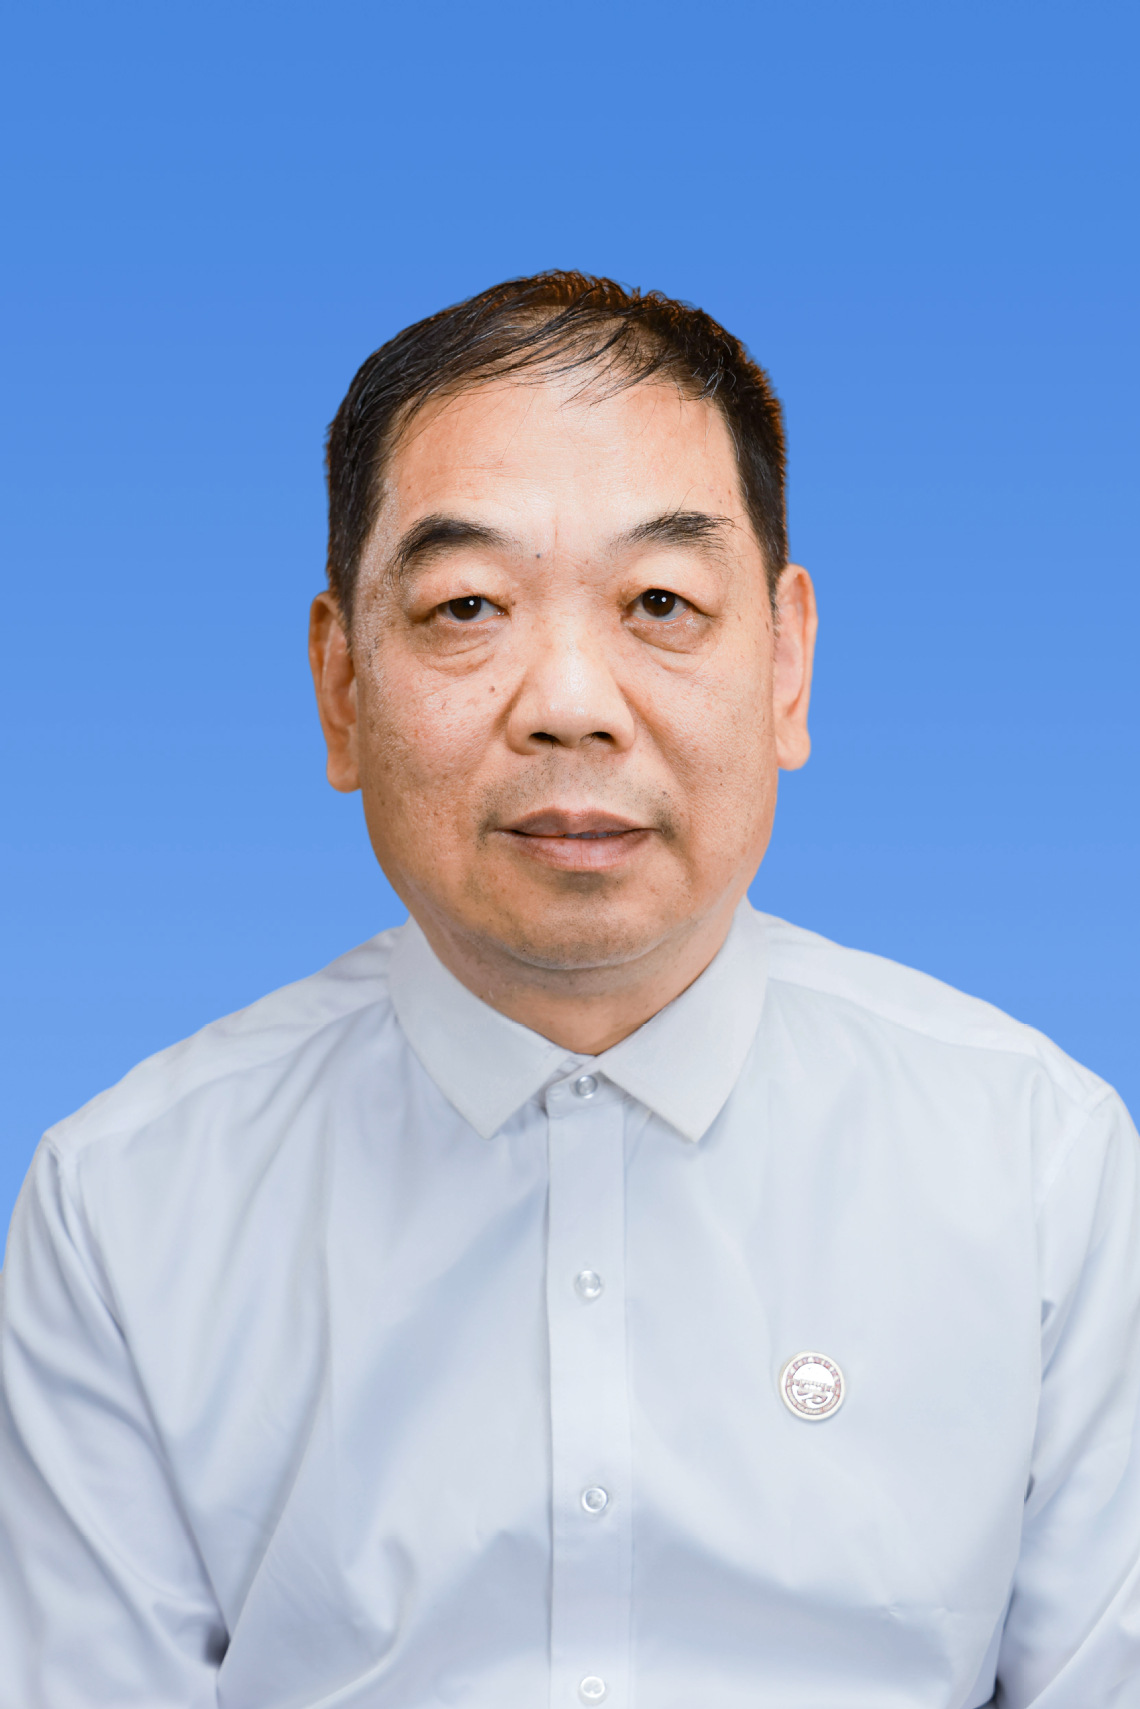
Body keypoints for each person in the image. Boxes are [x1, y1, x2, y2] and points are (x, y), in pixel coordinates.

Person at [1, 272, 1137, 1709]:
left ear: (786, 663)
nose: (571, 705)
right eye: (468, 605)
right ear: (341, 687)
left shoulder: (1038, 1163)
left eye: (660, 601)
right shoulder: (125, 1206)